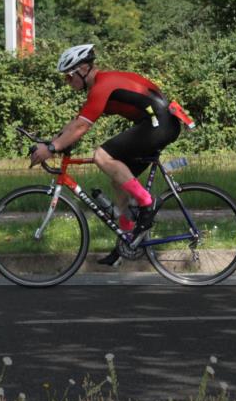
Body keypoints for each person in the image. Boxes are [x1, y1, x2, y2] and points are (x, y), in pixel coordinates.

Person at [28, 44, 182, 266]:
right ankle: (127, 241)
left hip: (159, 124)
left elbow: (81, 127)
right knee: (119, 180)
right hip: (157, 123)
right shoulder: (99, 87)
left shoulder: (103, 86)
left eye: (69, 76)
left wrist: (52, 149)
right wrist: (52, 142)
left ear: (82, 69)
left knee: (102, 156)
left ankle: (147, 202)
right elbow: (77, 122)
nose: (67, 82)